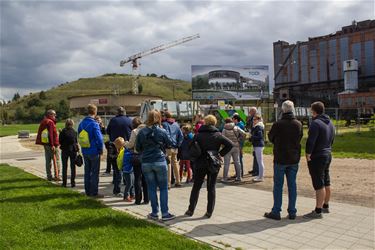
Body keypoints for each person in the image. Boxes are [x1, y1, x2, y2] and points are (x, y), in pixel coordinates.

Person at [185, 115, 233, 218]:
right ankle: (209, 212)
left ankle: (190, 210)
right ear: (215, 123)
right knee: (211, 188)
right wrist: (220, 154)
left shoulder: (198, 135)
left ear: (205, 123)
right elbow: (230, 144)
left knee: (196, 187)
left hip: (200, 163)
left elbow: (191, 147)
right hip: (213, 163)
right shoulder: (218, 135)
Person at [264, 100, 303, 220]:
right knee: (292, 185)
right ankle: (292, 211)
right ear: (293, 109)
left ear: (283, 110)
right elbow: (300, 137)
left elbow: (270, 137)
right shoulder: (298, 124)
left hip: (280, 157)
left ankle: (276, 211)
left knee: (278, 186)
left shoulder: (278, 124)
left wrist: (278, 141)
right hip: (294, 157)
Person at [136, 110, 175, 221]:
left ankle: (154, 213)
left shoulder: (142, 132)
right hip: (159, 160)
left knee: (151, 188)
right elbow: (170, 143)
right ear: (159, 118)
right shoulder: (162, 131)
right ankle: (165, 213)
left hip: (146, 162)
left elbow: (138, 148)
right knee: (163, 188)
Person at [303, 101, 335, 219]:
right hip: (327, 153)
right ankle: (326, 205)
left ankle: (318, 210)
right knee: (326, 180)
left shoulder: (315, 123)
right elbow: (332, 139)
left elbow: (311, 141)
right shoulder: (330, 123)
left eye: (311, 110)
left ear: (314, 111)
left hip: (317, 156)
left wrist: (308, 154)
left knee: (318, 183)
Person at [78, 104, 104, 198]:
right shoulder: (94, 124)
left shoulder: (81, 123)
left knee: (87, 172)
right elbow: (99, 139)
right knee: (94, 173)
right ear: (95, 112)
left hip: (85, 150)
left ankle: (87, 191)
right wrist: (101, 150)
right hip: (94, 151)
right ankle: (94, 192)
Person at [125, 117, 149, 205]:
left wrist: (125, 143)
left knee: (137, 178)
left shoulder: (135, 131)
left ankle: (138, 199)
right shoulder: (148, 130)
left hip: (137, 156)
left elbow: (131, 144)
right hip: (147, 156)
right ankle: (147, 198)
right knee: (145, 178)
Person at [106, 107, 132, 175]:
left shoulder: (113, 120)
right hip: (125, 144)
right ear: (124, 112)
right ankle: (125, 179)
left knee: (116, 164)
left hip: (115, 145)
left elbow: (108, 131)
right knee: (125, 162)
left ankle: (116, 180)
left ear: (117, 113)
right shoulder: (129, 120)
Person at [36, 109, 61, 181]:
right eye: (54, 114)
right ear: (50, 115)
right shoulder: (50, 122)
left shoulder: (44, 121)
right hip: (51, 144)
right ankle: (57, 175)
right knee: (56, 160)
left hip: (46, 143)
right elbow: (50, 134)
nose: (55, 116)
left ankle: (49, 176)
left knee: (48, 160)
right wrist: (52, 144)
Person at [161, 111, 183, 188]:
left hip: (168, 147)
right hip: (175, 147)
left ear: (165, 117)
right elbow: (181, 136)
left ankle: (168, 183)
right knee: (175, 163)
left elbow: (166, 135)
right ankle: (178, 181)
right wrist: (178, 145)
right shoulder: (176, 124)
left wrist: (169, 144)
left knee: (168, 164)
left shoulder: (164, 124)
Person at [221, 118, 246, 182]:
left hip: (228, 147)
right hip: (236, 146)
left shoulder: (224, 129)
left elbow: (222, 139)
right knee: (237, 162)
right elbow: (244, 134)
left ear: (225, 122)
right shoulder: (236, 127)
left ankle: (224, 178)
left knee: (226, 163)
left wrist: (223, 145)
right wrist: (239, 140)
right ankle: (239, 177)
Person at [59, 119, 78, 188]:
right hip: (73, 150)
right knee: (73, 167)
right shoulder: (74, 132)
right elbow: (76, 141)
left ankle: (64, 183)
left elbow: (60, 141)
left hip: (65, 150)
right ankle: (73, 182)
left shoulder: (63, 131)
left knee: (64, 166)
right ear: (72, 124)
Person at [115, 137, 135, 202]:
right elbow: (129, 158)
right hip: (127, 170)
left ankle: (132, 194)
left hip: (129, 170)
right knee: (129, 184)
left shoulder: (123, 151)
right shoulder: (125, 152)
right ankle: (126, 196)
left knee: (131, 183)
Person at [251, 113, 265, 182]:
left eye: (255, 119)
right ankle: (260, 175)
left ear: (258, 119)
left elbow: (260, 137)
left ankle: (261, 177)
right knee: (259, 161)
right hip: (258, 145)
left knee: (260, 161)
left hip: (259, 145)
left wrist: (251, 136)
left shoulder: (259, 126)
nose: (253, 120)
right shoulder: (257, 126)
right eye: (253, 119)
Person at [246, 107, 259, 176]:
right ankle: (254, 169)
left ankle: (257, 171)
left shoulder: (257, 118)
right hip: (253, 138)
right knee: (254, 154)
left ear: (254, 111)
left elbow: (255, 128)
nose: (249, 113)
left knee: (256, 155)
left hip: (256, 139)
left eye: (250, 111)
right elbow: (248, 125)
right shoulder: (251, 118)